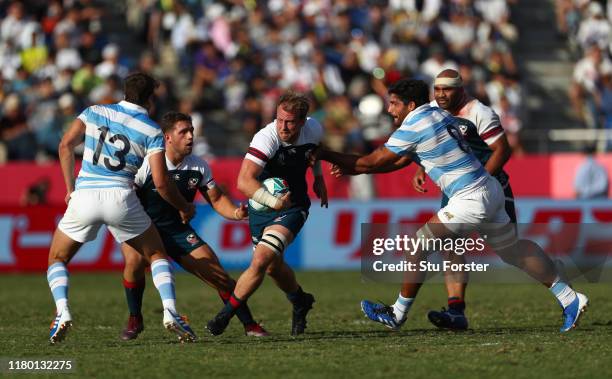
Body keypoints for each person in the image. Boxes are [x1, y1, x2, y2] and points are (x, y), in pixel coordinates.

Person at [316, 78, 588, 333]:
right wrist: (355, 169)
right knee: (512, 251)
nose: (389, 110)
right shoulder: (438, 115)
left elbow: (375, 161)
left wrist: (326, 153)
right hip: (489, 189)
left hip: (470, 197)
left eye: (394, 103)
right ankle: (569, 298)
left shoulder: (414, 125)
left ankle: (397, 314)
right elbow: (395, 161)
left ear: (410, 105)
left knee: (419, 245)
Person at [46, 72, 197, 344]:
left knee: (57, 258)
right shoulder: (152, 130)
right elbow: (162, 183)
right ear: (151, 98)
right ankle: (170, 311)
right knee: (156, 254)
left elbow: (65, 145)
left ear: (125, 92)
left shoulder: (95, 110)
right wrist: (184, 205)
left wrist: (70, 189)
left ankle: (62, 310)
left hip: (86, 195)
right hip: (121, 197)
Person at [119, 111, 269, 340]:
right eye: (184, 132)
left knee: (219, 275)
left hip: (176, 231)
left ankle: (249, 324)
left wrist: (237, 212)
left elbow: (217, 199)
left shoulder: (198, 166)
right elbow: (127, 196)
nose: (190, 136)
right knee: (134, 261)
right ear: (167, 137)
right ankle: (135, 318)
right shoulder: (146, 164)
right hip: (143, 228)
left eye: (192, 131)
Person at [206, 92, 328, 336]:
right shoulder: (266, 136)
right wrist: (273, 202)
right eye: (279, 119)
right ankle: (300, 300)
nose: (283, 126)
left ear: (303, 121)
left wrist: (318, 177)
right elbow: (243, 182)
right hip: (262, 207)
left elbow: (316, 151)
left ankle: (224, 316)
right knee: (273, 267)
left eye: (290, 122)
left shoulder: (314, 129)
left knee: (261, 259)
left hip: (294, 206)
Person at [412, 69, 514, 330]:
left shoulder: (480, 112)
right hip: (457, 191)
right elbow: (429, 141)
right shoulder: (433, 111)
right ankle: (456, 311)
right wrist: (421, 167)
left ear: (461, 90)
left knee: (512, 252)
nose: (441, 94)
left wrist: (481, 181)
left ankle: (564, 294)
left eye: (447, 89)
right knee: (451, 247)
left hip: (488, 189)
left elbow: (502, 150)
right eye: (437, 89)